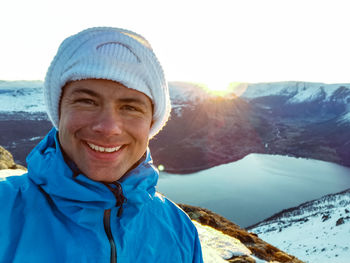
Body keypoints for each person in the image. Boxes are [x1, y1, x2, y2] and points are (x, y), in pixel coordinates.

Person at [0, 27, 203, 263]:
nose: (108, 127)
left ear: (151, 123)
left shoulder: (179, 230)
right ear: (59, 112)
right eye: (87, 101)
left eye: (130, 107)